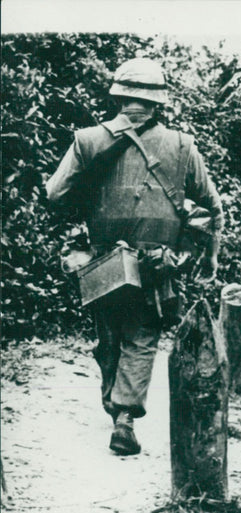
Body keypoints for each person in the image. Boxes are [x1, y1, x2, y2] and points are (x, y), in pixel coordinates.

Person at [46, 58, 224, 456]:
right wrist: (210, 257)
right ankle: (124, 415)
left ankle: (117, 409)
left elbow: (55, 195)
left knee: (108, 333)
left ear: (119, 96)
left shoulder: (89, 140)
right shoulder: (182, 145)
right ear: (158, 102)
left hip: (102, 262)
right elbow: (212, 206)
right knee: (141, 336)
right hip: (157, 263)